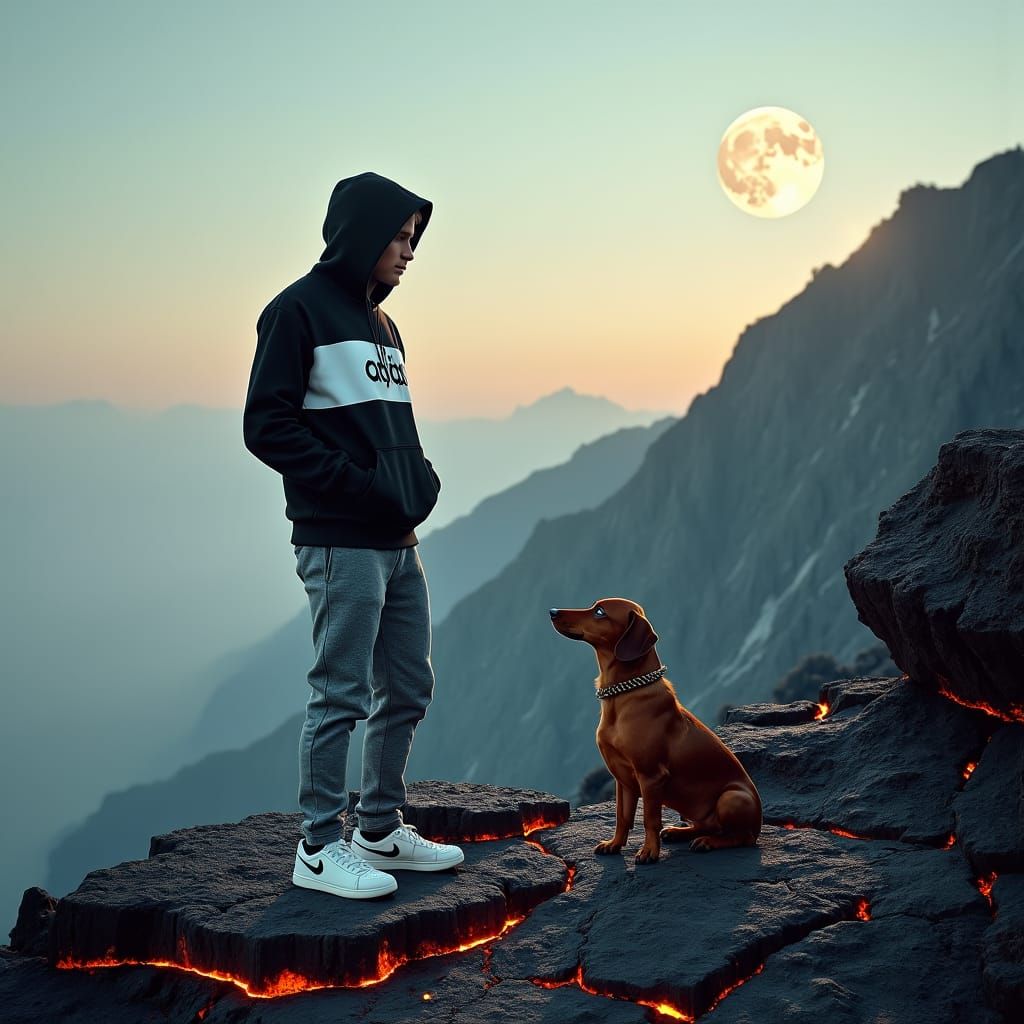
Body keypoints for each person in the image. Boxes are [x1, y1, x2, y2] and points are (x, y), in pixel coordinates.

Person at [243, 171, 463, 900]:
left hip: (399, 542)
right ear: (362, 235)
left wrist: (416, 479)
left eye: (413, 238)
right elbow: (265, 425)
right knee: (340, 692)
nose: (409, 251)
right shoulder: (296, 312)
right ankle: (315, 847)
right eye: (399, 237)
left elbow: (390, 426)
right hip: (339, 540)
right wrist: (358, 486)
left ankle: (378, 828)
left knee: (407, 684)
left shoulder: (386, 325)